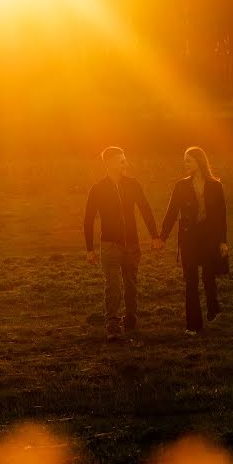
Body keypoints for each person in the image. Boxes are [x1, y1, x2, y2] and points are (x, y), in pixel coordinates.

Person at [84, 146, 164, 340]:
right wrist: (90, 249)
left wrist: (155, 235)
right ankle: (112, 323)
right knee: (112, 286)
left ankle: (130, 318)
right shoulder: (97, 189)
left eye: (125, 160)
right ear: (110, 163)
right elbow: (88, 219)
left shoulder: (133, 184)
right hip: (109, 244)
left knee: (130, 284)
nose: (126, 164)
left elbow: (145, 209)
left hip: (132, 244)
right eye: (121, 161)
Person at [159, 146, 229, 335]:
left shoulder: (215, 185)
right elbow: (172, 211)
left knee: (208, 276)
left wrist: (222, 241)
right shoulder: (181, 186)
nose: (186, 164)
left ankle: (213, 307)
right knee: (191, 281)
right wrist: (162, 236)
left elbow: (221, 215)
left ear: (199, 161)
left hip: (209, 237)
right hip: (189, 238)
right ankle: (193, 324)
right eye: (185, 161)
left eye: (189, 160)